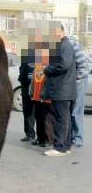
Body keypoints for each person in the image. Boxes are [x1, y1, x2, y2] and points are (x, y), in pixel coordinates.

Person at [43, 25, 76, 156]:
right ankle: (66, 146)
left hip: (62, 89)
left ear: (62, 32)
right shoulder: (63, 45)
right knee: (64, 118)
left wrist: (47, 69)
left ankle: (59, 147)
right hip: (63, 89)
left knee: (60, 119)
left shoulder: (64, 46)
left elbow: (63, 65)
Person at [68, 36, 90, 148]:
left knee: (76, 111)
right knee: (72, 109)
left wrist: (76, 78)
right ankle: (73, 137)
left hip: (80, 81)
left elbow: (84, 65)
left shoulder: (71, 44)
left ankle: (78, 139)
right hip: (75, 81)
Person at [29, 48, 53, 148]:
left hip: (46, 97)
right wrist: (32, 91)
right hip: (37, 96)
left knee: (46, 120)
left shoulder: (50, 63)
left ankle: (48, 139)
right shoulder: (38, 64)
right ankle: (40, 138)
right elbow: (34, 79)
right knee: (38, 118)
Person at [18, 55, 36, 142]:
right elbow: (22, 69)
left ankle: (43, 137)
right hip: (25, 86)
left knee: (39, 113)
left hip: (35, 86)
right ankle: (29, 134)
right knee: (27, 111)